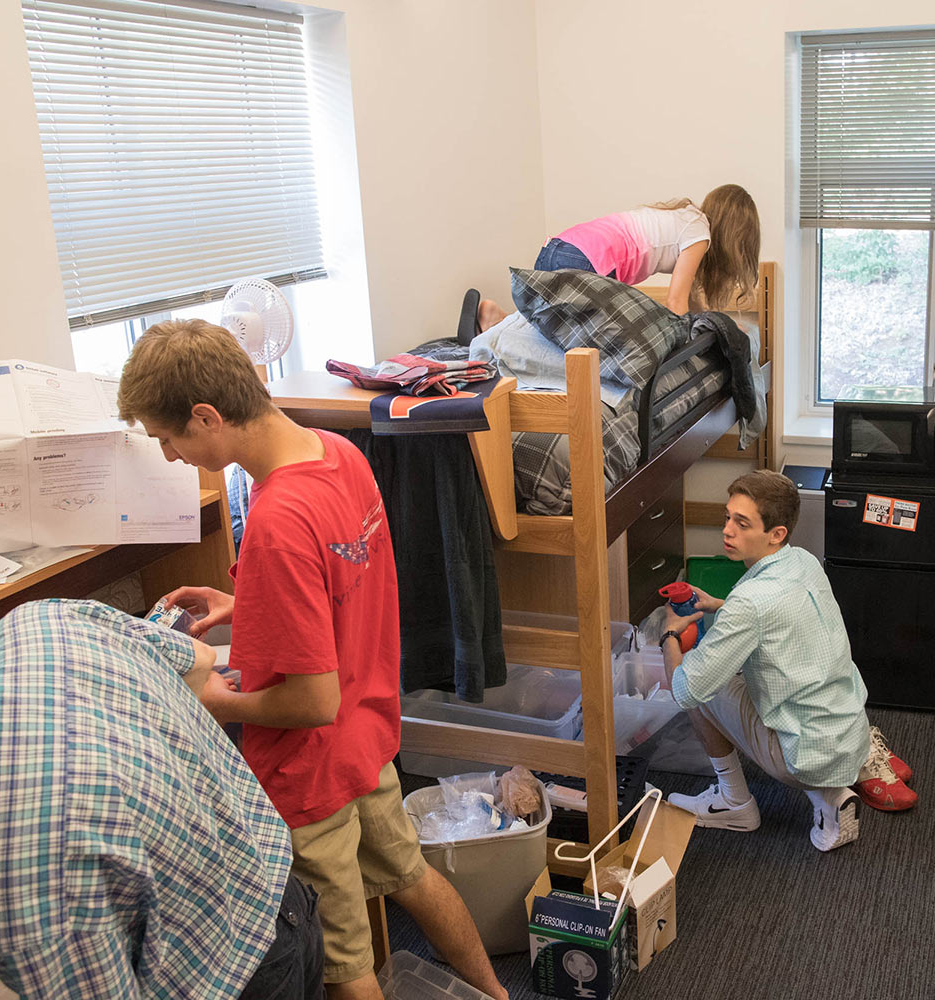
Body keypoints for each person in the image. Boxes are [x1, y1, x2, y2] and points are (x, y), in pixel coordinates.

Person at [117, 320, 507, 1000]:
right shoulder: (336, 454)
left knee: (345, 959)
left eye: (169, 438)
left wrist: (213, 699)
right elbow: (339, 585)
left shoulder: (274, 521)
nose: (173, 456)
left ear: (207, 416)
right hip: (368, 738)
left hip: (308, 771)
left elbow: (309, 702)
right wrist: (243, 602)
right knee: (412, 875)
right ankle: (498, 995)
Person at [0, 600, 322, 1000]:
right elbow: (198, 657)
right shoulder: (35, 625)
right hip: (277, 892)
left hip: (231, 979)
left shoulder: (17, 879)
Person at [657, 470, 917, 853]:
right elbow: (774, 616)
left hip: (804, 756)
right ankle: (828, 796)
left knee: (699, 677)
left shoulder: (749, 605)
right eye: (727, 517)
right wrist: (717, 606)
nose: (727, 531)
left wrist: (668, 635)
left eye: (742, 523)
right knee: (739, 672)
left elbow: (685, 690)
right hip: (849, 733)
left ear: (776, 534)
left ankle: (734, 802)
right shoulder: (804, 562)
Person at [472, 183, 761, 330]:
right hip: (588, 263)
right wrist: (688, 344)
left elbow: (693, 302)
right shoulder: (699, 233)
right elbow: (676, 302)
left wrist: (716, 324)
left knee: (550, 327)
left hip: (559, 248)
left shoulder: (685, 219)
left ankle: (503, 320)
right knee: (607, 338)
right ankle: (505, 323)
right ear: (733, 232)